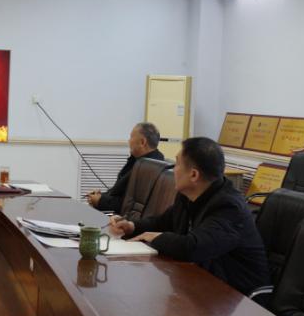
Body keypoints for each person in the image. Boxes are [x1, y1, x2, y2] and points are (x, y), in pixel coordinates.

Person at [109, 137, 268, 295]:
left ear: (193, 175)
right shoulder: (188, 195)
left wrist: (156, 237)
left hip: (238, 296)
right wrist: (132, 226)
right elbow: (163, 222)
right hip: (203, 282)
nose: (173, 169)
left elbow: (194, 247)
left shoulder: (229, 207)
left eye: (177, 163)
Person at [87, 122, 165, 212]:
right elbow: (119, 192)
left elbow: (127, 204)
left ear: (142, 142)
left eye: (131, 137)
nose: (129, 141)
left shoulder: (149, 168)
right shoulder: (139, 160)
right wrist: (101, 196)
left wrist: (100, 201)